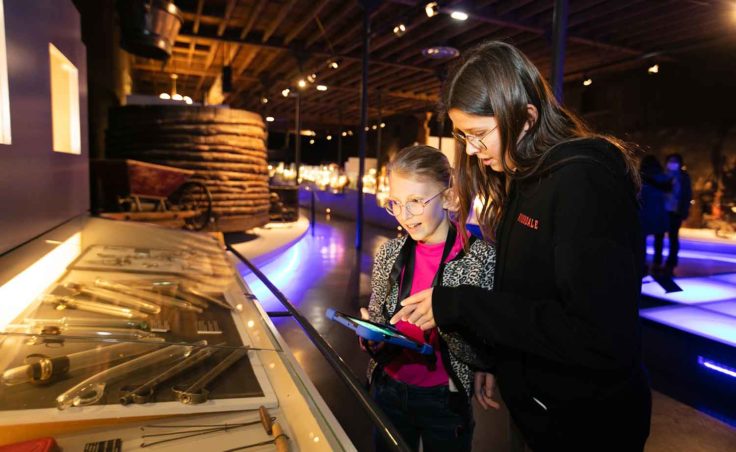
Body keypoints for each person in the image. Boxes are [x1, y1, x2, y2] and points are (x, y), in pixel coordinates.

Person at [390, 41, 652, 451]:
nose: (473, 151)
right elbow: (527, 296)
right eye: (464, 136)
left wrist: (461, 305)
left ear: (526, 117)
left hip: (584, 426)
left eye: (478, 135)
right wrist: (497, 358)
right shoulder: (526, 178)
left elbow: (598, 336)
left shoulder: (583, 184)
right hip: (538, 412)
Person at [360, 145, 497, 452]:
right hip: (388, 387)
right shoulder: (388, 253)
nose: (403, 216)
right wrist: (372, 336)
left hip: (444, 399)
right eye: (395, 203)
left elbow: (485, 348)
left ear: (448, 197)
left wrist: (445, 315)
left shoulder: (481, 258)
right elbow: (378, 314)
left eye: (416, 202)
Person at [654, 153, 692, 273]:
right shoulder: (661, 176)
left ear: (680, 163)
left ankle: (671, 263)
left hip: (675, 212)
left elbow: (687, 195)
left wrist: (685, 210)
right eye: (670, 160)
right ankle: (657, 261)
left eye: (675, 161)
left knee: (673, 238)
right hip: (661, 211)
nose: (673, 163)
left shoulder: (684, 178)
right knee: (658, 237)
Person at [639, 155, 671, 276]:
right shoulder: (663, 177)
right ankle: (657, 263)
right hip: (659, 213)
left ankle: (642, 263)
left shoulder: (640, 177)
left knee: (642, 240)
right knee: (659, 240)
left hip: (644, 213)